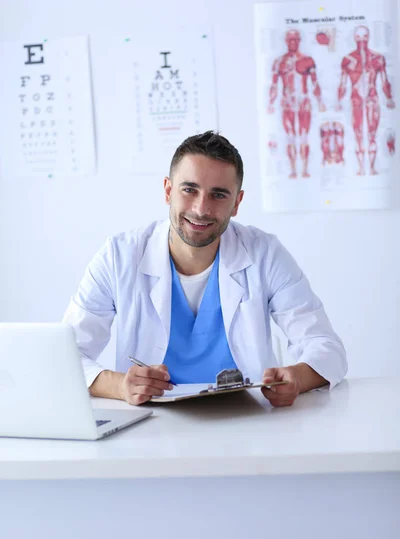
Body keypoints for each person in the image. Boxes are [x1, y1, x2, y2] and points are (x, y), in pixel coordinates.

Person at [63, 131, 347, 407]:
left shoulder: (265, 254)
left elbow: (325, 346)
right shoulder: (118, 257)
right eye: (189, 190)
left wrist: (297, 377)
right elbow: (65, 354)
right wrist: (120, 385)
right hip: (151, 425)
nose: (201, 209)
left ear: (237, 203)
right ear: (167, 190)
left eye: (219, 195)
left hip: (247, 422)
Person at [337, 25, 395, 176]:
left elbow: (384, 81)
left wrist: (389, 98)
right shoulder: (347, 60)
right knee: (358, 134)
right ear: (354, 38)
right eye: (358, 37)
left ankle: (371, 167)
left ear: (368, 38)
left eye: (364, 37)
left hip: (372, 99)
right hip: (356, 100)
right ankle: (361, 168)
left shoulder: (378, 59)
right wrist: (338, 101)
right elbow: (343, 83)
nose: (361, 40)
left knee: (371, 134)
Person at [267, 29, 326, 179]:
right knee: (291, 137)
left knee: (304, 137)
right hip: (287, 103)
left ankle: (305, 169)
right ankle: (293, 170)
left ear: (299, 41)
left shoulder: (308, 60)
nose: (293, 42)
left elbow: (315, 82)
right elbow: (274, 85)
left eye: (295, 40)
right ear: (286, 41)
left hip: (304, 102)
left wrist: (320, 102)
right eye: (290, 40)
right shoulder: (279, 62)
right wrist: (270, 103)